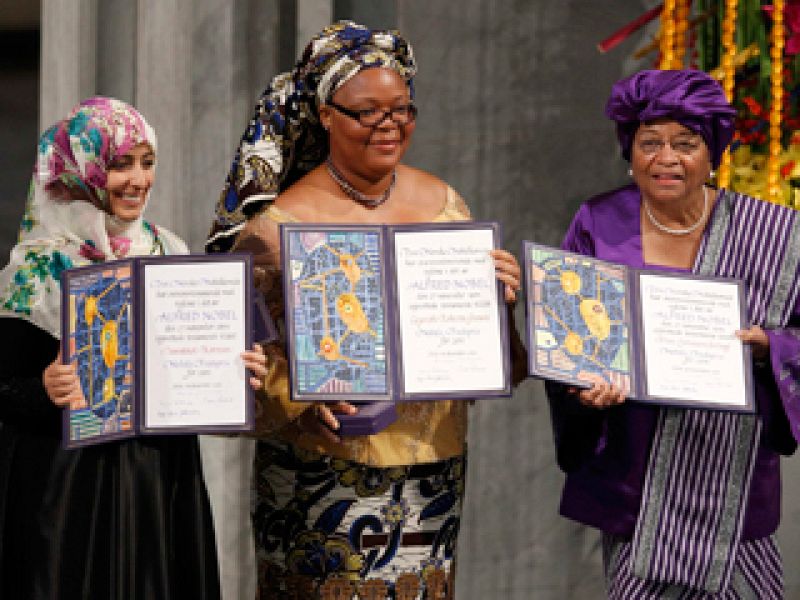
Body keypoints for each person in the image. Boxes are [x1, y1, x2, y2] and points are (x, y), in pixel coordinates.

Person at [207, 21, 525, 599]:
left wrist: (503, 306)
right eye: (367, 112)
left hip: (433, 477)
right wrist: (301, 393)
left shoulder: (448, 206)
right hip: (320, 478)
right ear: (326, 114)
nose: (389, 126)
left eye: (402, 110)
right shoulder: (279, 228)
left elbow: (504, 365)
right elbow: (236, 370)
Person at [546, 69, 800, 599]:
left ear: (713, 154)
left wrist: (769, 349)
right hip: (635, 483)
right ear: (629, 149)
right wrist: (585, 387)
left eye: (685, 144)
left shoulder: (774, 233)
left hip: (731, 478)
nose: (666, 158)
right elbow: (568, 340)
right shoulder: (597, 220)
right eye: (650, 142)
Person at [0, 97, 266, 599]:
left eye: (147, 162)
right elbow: (4, 389)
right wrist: (42, 389)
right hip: (68, 486)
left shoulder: (169, 250)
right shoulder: (35, 269)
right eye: (121, 164)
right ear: (82, 170)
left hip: (157, 477)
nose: (139, 179)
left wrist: (235, 368)